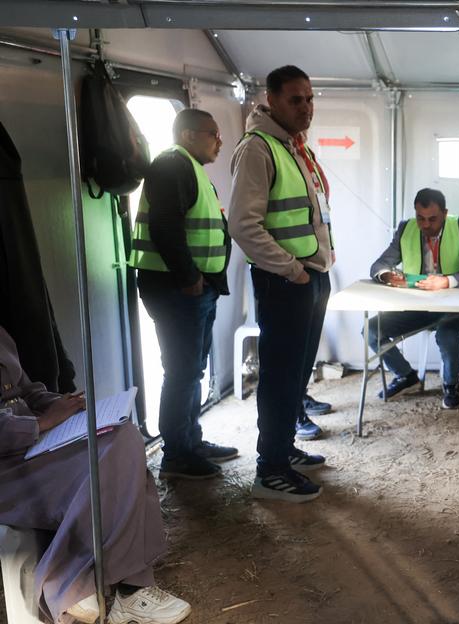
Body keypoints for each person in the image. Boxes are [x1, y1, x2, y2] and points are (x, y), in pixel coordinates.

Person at [0, 326, 191, 624]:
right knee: (113, 463)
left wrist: (62, 405)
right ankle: (77, 583)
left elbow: (26, 392)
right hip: (7, 468)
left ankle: (120, 589)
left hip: (32, 447)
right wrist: (41, 423)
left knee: (124, 436)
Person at [229, 65, 332, 502]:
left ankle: (284, 449)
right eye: (295, 99)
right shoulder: (258, 149)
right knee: (278, 376)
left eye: (309, 98)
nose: (306, 107)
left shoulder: (292, 147)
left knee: (295, 374)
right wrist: (292, 269)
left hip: (310, 277)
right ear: (271, 100)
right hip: (285, 280)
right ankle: (269, 470)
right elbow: (243, 225)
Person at [130, 108, 237, 480]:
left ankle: (191, 440)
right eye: (213, 133)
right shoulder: (173, 165)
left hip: (195, 288)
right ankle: (177, 455)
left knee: (191, 369)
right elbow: (165, 226)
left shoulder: (190, 167)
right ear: (189, 135)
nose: (219, 141)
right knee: (181, 371)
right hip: (177, 288)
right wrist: (189, 276)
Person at [368, 188, 459, 409]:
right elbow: (378, 265)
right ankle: (406, 376)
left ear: (445, 213)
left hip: (454, 307)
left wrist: (447, 281)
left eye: (432, 219)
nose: (426, 225)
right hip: (417, 307)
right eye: (420, 218)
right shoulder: (405, 228)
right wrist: (386, 275)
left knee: (447, 336)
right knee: (372, 330)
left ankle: (451, 385)